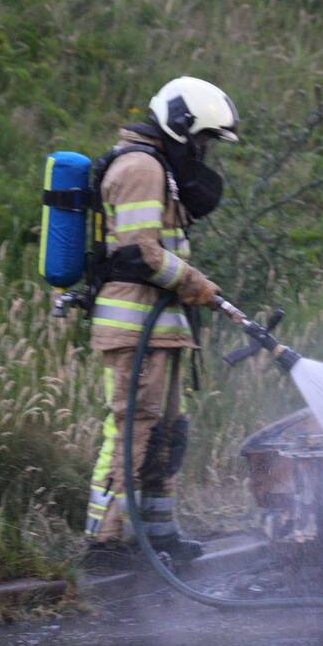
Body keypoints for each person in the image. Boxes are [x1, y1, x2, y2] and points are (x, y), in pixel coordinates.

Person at [83, 76, 246, 568]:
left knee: (167, 433)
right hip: (135, 328)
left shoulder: (160, 167)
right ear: (179, 127)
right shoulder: (140, 168)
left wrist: (191, 288)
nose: (203, 150)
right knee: (135, 429)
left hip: (160, 330)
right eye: (201, 139)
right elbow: (140, 251)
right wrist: (195, 283)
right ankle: (106, 545)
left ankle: (158, 533)